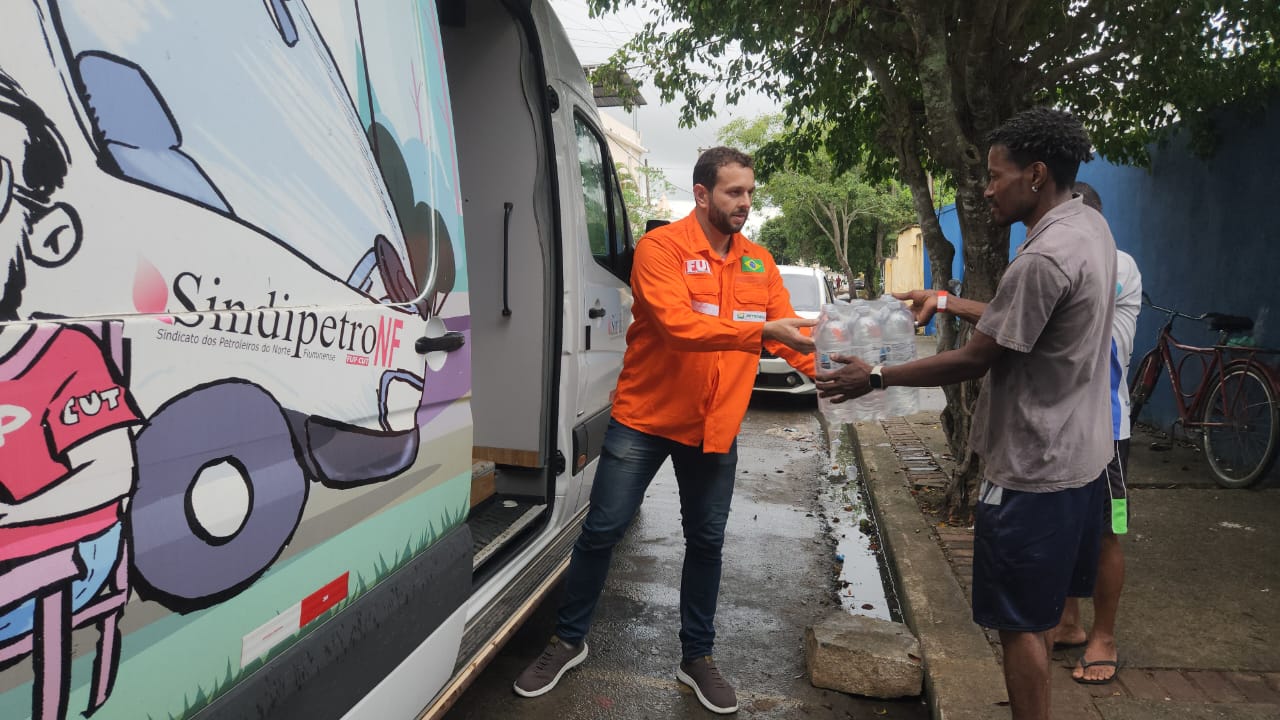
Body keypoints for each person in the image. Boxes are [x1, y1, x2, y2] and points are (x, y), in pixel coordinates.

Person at [816, 107, 1116, 720]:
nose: (985, 190)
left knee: (1019, 625)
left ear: (1036, 174)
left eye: (996, 175)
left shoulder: (1042, 258)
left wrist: (876, 375)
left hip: (1033, 469)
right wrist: (947, 300)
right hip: (1083, 459)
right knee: (1040, 611)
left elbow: (976, 359)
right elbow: (1025, 324)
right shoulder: (1088, 227)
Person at [513, 147, 816, 714]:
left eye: (750, 193)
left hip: (714, 427)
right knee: (603, 529)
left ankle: (696, 656)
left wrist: (842, 374)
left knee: (706, 541)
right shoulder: (661, 249)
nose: (745, 203)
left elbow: (790, 335)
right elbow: (679, 326)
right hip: (645, 420)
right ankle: (568, 641)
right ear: (701, 194)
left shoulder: (758, 262)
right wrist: (760, 334)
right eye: (734, 192)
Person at [0, 70, 139, 642]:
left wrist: (14, 515)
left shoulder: (65, 353)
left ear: (46, 232)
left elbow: (112, 472)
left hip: (62, 551)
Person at [1048, 182, 1142, 685]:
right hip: (1063, 424)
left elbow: (1053, 324)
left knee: (1108, 531)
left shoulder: (1117, 265)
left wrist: (954, 304)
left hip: (1108, 430)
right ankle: (1069, 622)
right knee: (1065, 526)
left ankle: (1104, 636)